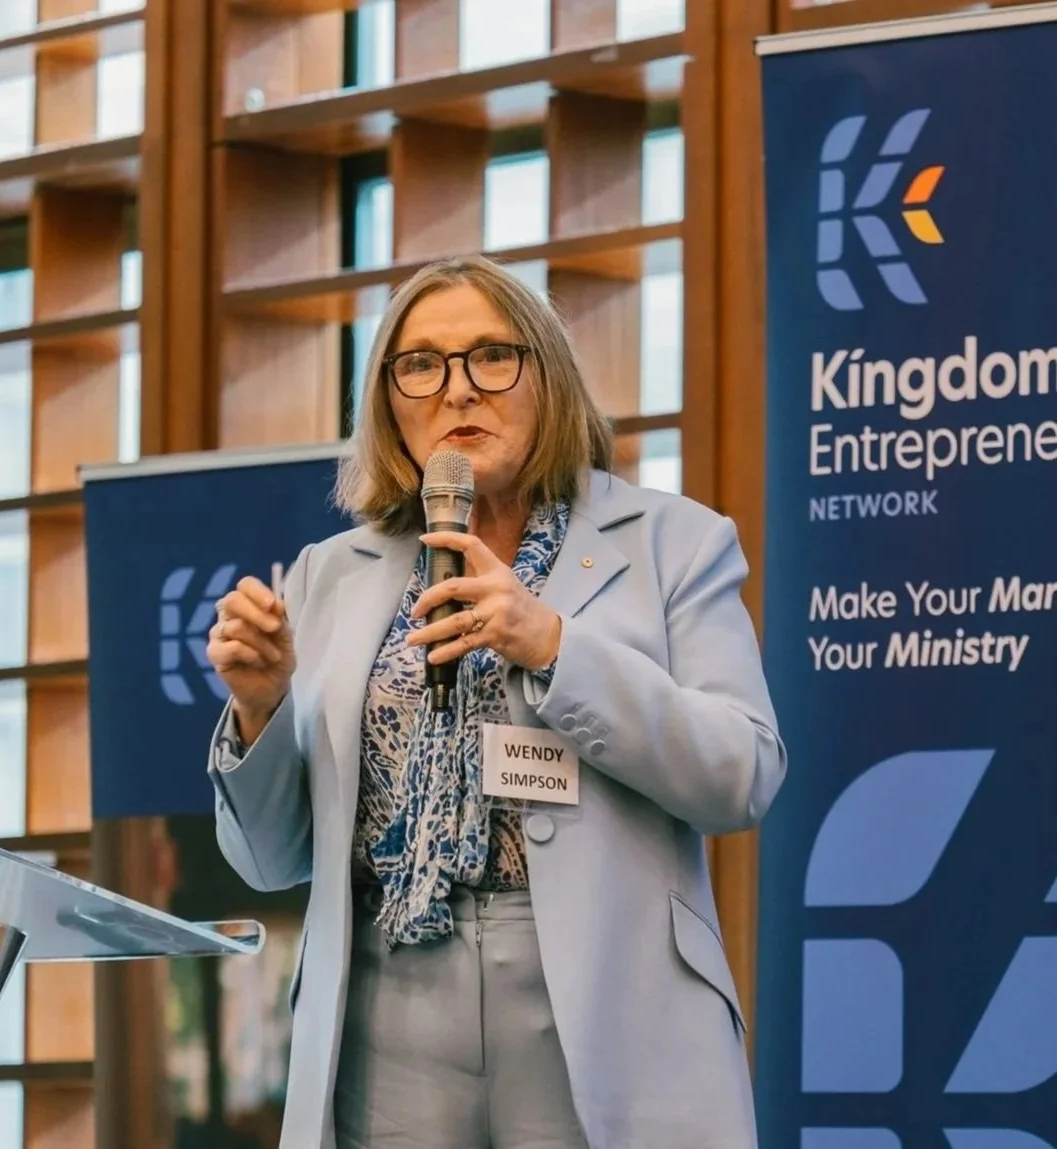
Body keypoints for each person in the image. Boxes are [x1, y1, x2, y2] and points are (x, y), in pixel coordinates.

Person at [205, 254, 787, 1149]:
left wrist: (551, 643)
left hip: (601, 996)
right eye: (422, 365)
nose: (458, 391)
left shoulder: (674, 542)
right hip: (388, 1007)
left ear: (545, 375)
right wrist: (260, 709)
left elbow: (738, 771)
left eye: (491, 356)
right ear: (390, 406)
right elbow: (272, 858)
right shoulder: (333, 573)